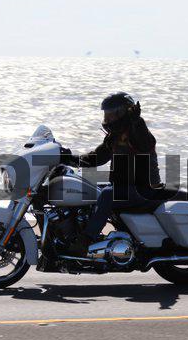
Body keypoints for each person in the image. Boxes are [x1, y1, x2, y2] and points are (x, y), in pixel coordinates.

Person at [66, 92, 162, 255]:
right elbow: (97, 158)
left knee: (107, 194)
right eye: (106, 114)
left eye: (111, 114)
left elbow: (145, 144)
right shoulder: (115, 136)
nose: (107, 118)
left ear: (123, 112)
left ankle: (85, 241)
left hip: (144, 189)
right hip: (126, 186)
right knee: (87, 187)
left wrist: (137, 122)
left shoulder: (136, 131)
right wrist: (68, 158)